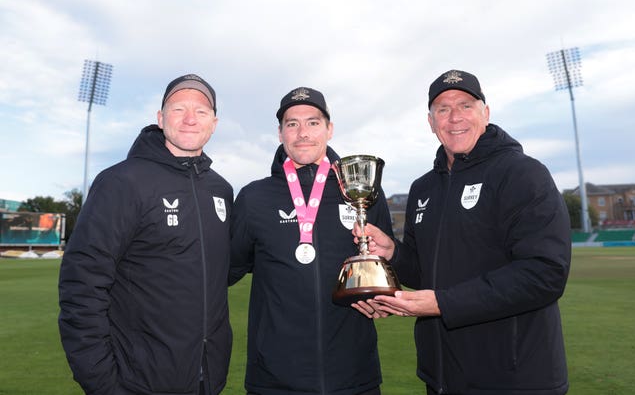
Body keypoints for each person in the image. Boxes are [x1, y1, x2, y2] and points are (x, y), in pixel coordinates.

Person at [355, 70, 571, 395]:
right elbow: (425, 271)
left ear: (486, 112)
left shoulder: (522, 174)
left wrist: (443, 303)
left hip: (513, 380)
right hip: (442, 378)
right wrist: (393, 254)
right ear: (431, 122)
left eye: (466, 105)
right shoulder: (424, 187)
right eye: (442, 108)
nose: (455, 117)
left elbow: (544, 273)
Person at [59, 74, 233, 395]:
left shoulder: (220, 189)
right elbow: (81, 287)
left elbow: (226, 270)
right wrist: (103, 384)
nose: (190, 119)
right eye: (179, 108)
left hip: (207, 380)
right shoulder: (122, 182)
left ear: (214, 122)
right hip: (137, 382)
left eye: (202, 111)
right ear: (160, 118)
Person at [229, 86, 394, 395]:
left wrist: (384, 298)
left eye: (313, 122)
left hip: (354, 377)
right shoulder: (254, 198)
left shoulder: (362, 191)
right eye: (292, 124)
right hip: (275, 381)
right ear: (280, 133)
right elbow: (227, 270)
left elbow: (385, 261)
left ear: (329, 130)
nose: (302, 132)